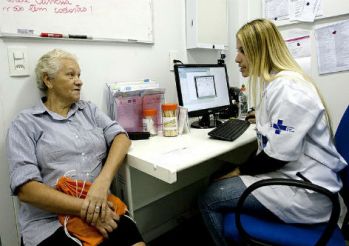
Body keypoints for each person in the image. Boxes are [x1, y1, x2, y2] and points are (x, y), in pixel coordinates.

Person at [198, 18, 348, 246]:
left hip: (306, 192)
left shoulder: (288, 89)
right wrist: (261, 117)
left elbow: (277, 156)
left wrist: (238, 171)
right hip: (297, 176)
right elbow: (283, 128)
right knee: (219, 175)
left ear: (261, 50)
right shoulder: (280, 84)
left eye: (242, 50)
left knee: (209, 197)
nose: (237, 58)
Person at [6, 49, 146, 246]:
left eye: (79, 75)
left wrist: (102, 183)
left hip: (101, 205)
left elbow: (121, 138)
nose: (79, 81)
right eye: (71, 74)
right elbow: (26, 190)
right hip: (49, 221)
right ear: (48, 80)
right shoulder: (25, 123)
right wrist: (87, 208)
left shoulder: (88, 110)